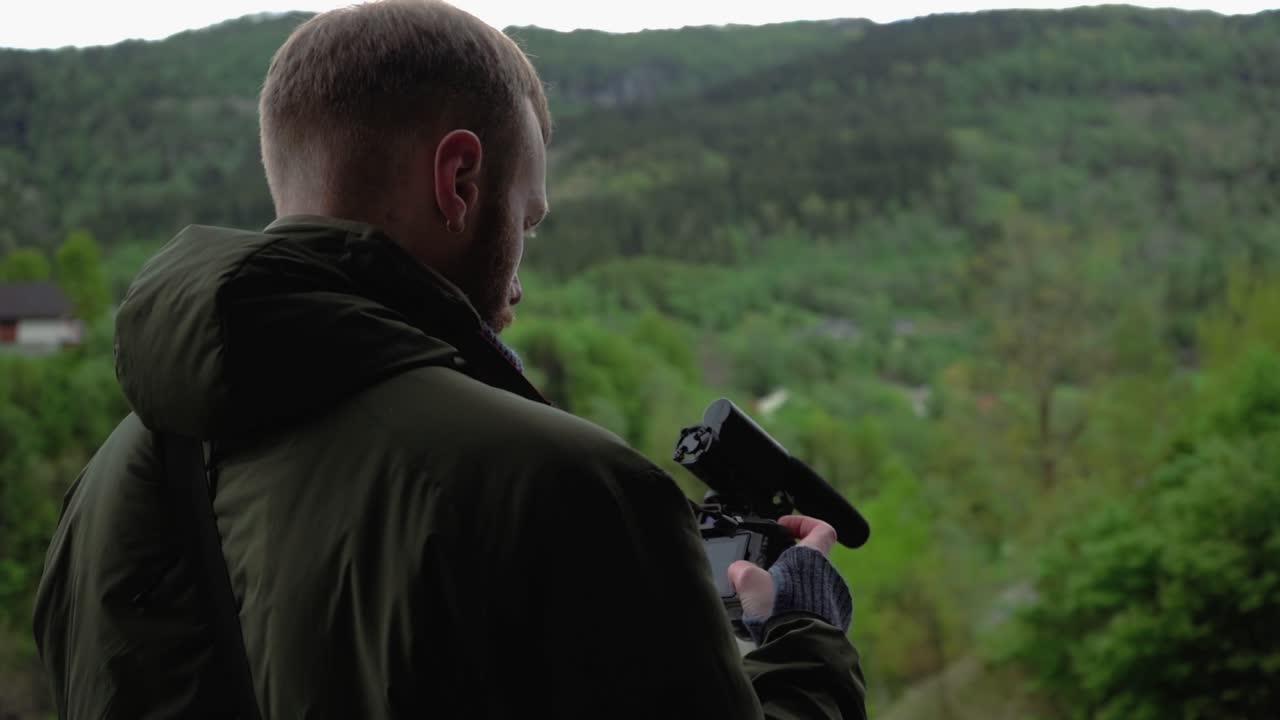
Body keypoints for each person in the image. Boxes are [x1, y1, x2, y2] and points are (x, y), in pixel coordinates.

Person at [32, 1, 868, 717]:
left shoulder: (97, 498)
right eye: (527, 220)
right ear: (460, 179)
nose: (518, 288)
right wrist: (805, 635)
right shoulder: (564, 484)